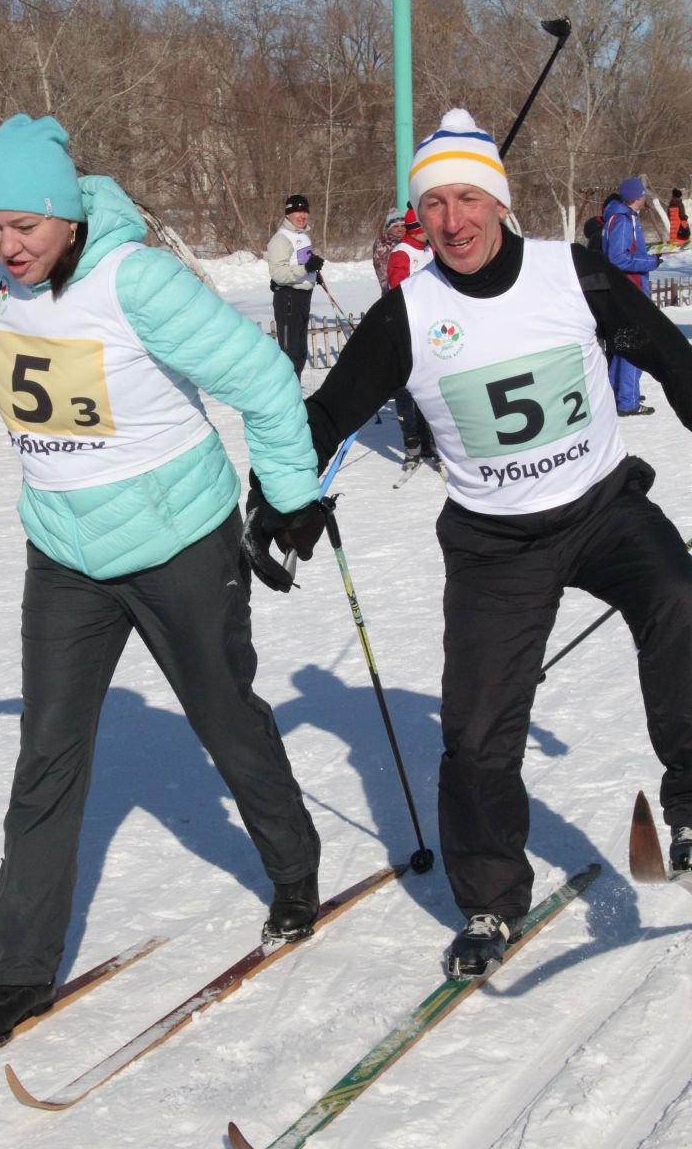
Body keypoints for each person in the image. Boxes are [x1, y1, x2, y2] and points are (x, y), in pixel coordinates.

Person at [0, 115, 326, 1048]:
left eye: (26, 227)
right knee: (46, 757)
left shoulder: (136, 280)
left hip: (179, 544)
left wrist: (291, 497)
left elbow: (261, 376)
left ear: (69, 216)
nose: (9, 247)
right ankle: (21, 972)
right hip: (64, 556)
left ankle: (294, 871)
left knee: (225, 719)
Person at [244, 107, 692, 980]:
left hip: (603, 507)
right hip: (495, 545)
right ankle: (490, 899)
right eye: (435, 204)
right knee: (478, 728)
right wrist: (279, 495)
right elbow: (328, 415)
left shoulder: (572, 275)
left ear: (500, 201)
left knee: (681, 597)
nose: (453, 221)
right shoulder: (408, 314)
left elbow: (673, 360)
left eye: (468, 199)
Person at [602, 176, 661, 416]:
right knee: (635, 345)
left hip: (625, 288)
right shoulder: (623, 220)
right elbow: (618, 258)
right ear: (637, 197)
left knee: (624, 344)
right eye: (643, 193)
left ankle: (620, 393)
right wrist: (650, 262)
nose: (645, 196)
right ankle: (628, 400)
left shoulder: (620, 216)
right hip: (630, 289)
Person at [386, 206, 439, 470]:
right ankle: (412, 444)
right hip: (409, 329)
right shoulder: (402, 253)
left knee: (432, 388)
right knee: (407, 390)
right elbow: (398, 290)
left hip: (433, 328)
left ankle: (433, 442)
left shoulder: (431, 249)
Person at [266, 194, 324, 378]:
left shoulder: (302, 236)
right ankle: (286, 392)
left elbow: (297, 263)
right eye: (298, 211)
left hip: (302, 298)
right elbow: (278, 274)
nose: (302, 215)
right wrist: (306, 268)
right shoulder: (281, 239)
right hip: (289, 298)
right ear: (288, 214)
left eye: (305, 211)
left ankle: (295, 390)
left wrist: (313, 273)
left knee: (300, 353)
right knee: (289, 354)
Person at [372, 207, 405, 294]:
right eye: (395, 226)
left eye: (403, 226)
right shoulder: (383, 245)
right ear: (388, 228)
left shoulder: (404, 242)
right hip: (393, 292)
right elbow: (385, 276)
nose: (400, 229)